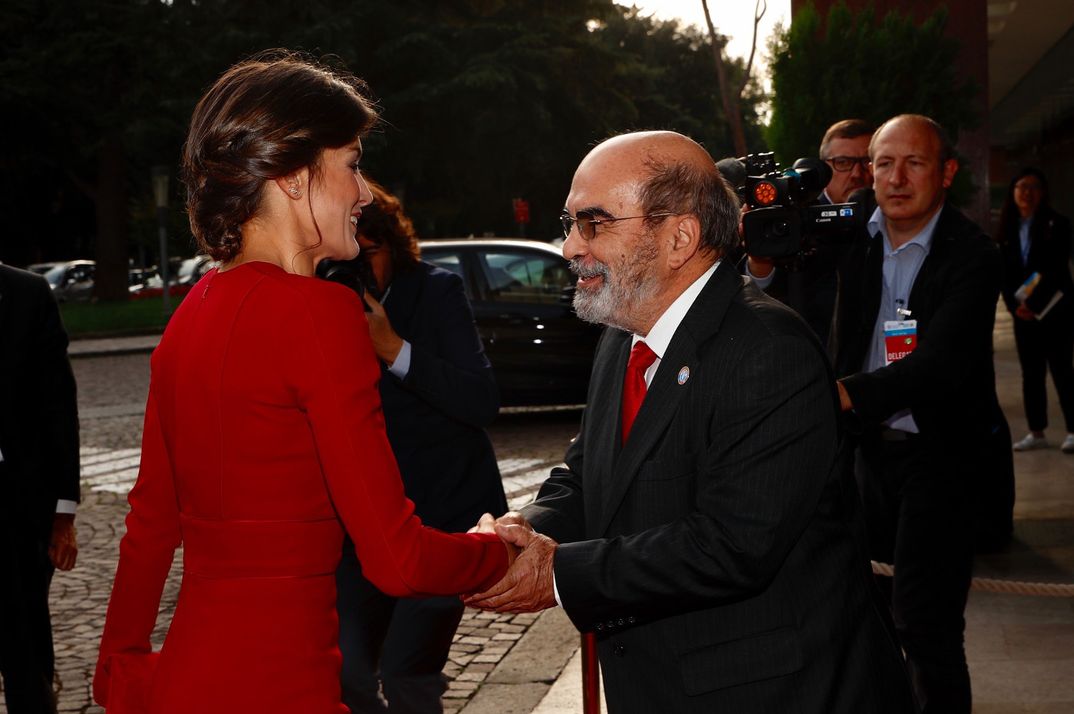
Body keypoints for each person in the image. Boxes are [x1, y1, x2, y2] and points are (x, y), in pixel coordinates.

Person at [93, 53, 512, 714]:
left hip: (189, 682)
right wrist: (497, 553)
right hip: (282, 686)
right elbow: (396, 559)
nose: (365, 192)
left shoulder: (190, 315)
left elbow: (150, 526)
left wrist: (118, 667)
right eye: (351, 162)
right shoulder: (320, 315)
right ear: (291, 176)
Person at [465, 131, 915, 713]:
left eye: (594, 223)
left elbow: (732, 545)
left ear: (679, 237)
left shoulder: (767, 349)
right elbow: (588, 477)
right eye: (570, 222)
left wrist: (556, 574)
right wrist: (519, 534)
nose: (571, 245)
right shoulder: (620, 339)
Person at [830, 114, 1002, 714]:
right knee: (866, 621)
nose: (896, 178)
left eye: (915, 163)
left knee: (926, 626)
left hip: (941, 457)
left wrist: (844, 394)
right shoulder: (850, 236)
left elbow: (941, 367)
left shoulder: (972, 255)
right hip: (863, 454)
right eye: (883, 162)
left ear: (947, 172)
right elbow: (787, 298)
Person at [321, 180, 508, 713]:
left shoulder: (436, 291)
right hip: (361, 527)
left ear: (391, 245)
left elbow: (480, 401)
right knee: (348, 674)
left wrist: (392, 348)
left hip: (439, 517)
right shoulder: (320, 303)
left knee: (408, 673)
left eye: (367, 253)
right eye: (342, 254)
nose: (355, 267)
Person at [0, 264, 80, 714]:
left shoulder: (27, 295)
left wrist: (63, 511)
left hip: (17, 508)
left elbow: (57, 405)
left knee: (25, 650)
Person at [745, 119, 874, 344]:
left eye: (867, 162)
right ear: (822, 168)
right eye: (843, 162)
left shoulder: (892, 222)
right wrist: (760, 262)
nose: (857, 174)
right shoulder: (794, 217)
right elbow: (762, 300)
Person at [996, 168, 1074, 453]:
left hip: (1055, 312)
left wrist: (1035, 304)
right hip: (1022, 315)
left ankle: (1072, 430)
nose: (1026, 192)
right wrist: (1016, 307)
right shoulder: (1006, 229)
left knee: (1063, 370)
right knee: (1031, 374)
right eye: (1020, 187)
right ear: (1013, 192)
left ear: (1043, 192)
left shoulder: (1058, 224)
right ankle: (1036, 432)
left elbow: (1055, 270)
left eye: (1033, 187)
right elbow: (1003, 274)